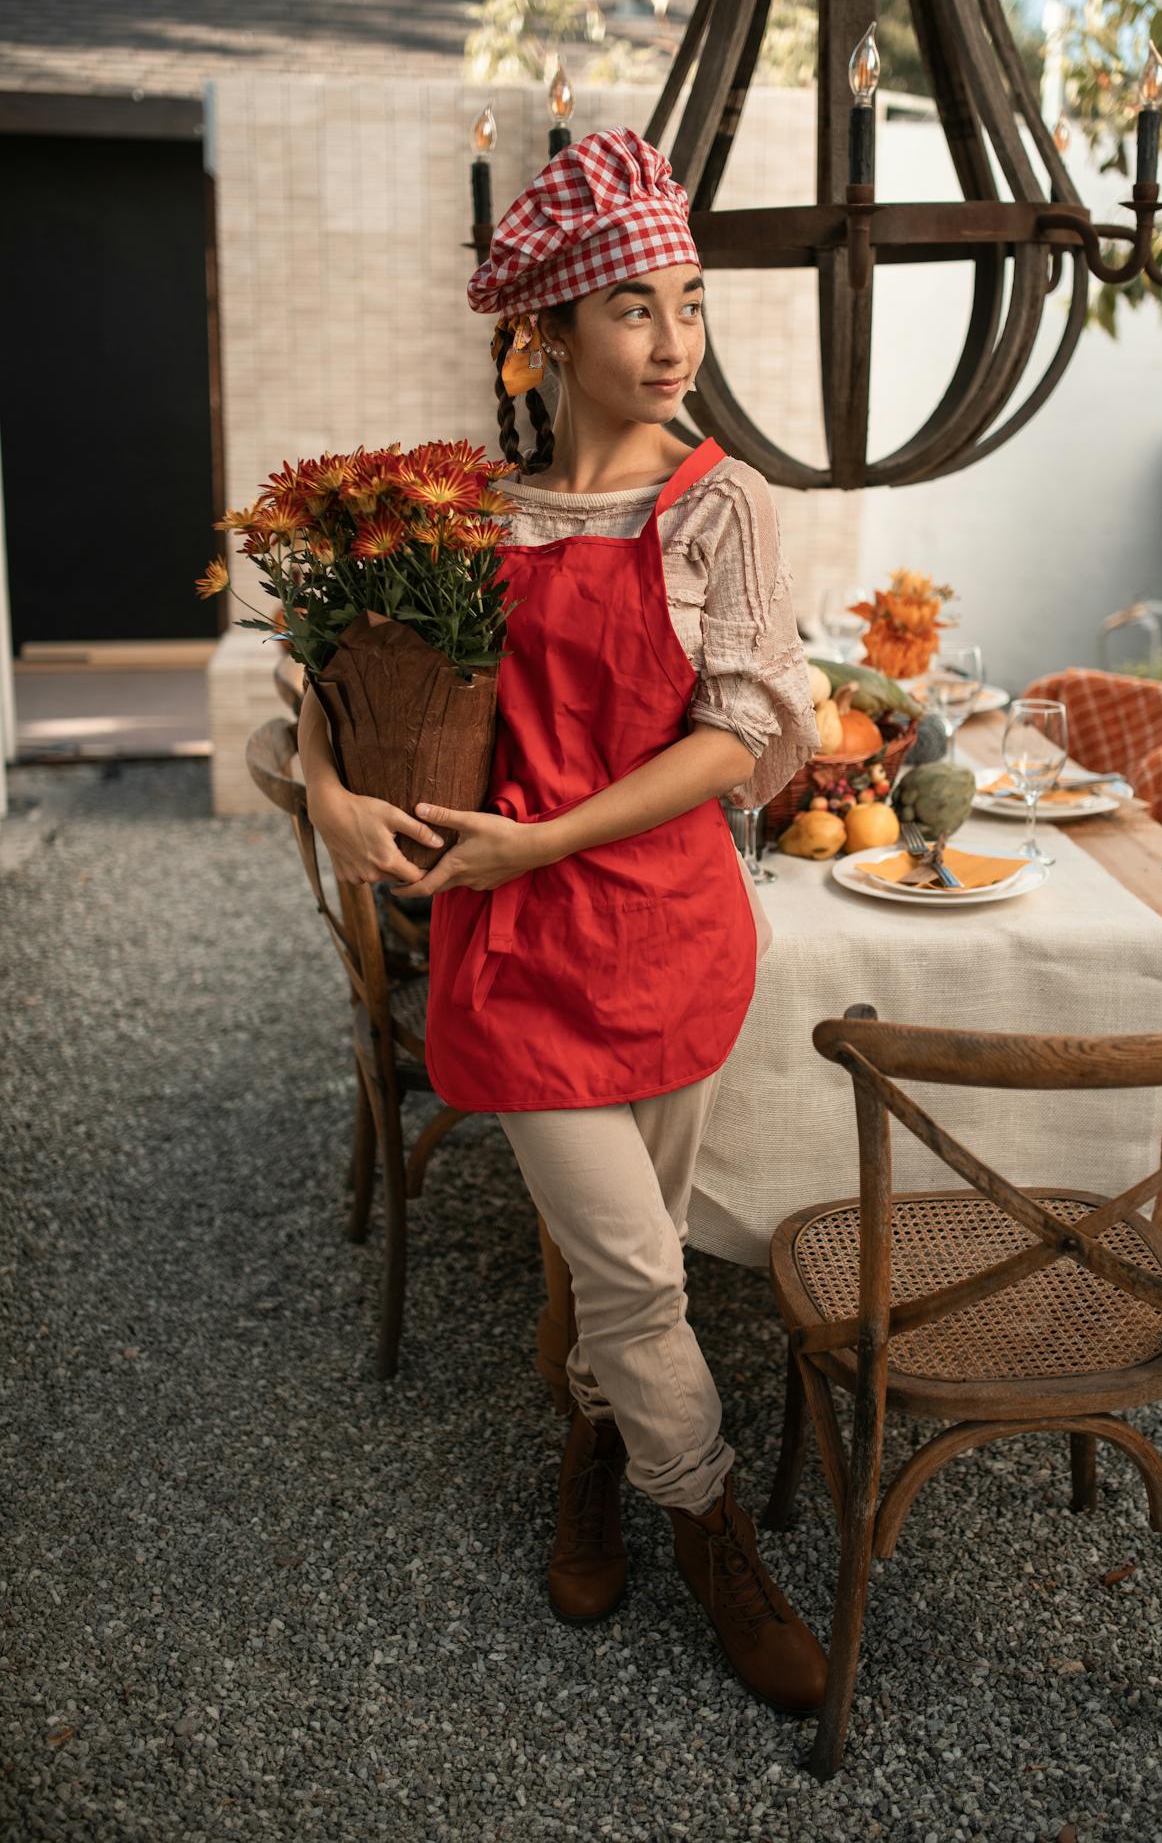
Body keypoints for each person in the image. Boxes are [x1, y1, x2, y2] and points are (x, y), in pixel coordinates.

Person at [297, 126, 825, 1715]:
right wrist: (328, 793)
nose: (674, 342)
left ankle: (593, 1450)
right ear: (547, 335)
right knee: (640, 1277)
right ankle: (718, 1534)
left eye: (690, 303)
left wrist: (538, 839)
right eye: (634, 309)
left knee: (628, 1265)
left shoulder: (720, 508)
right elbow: (329, 686)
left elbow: (739, 738)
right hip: (514, 957)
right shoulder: (455, 510)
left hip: (667, 936)